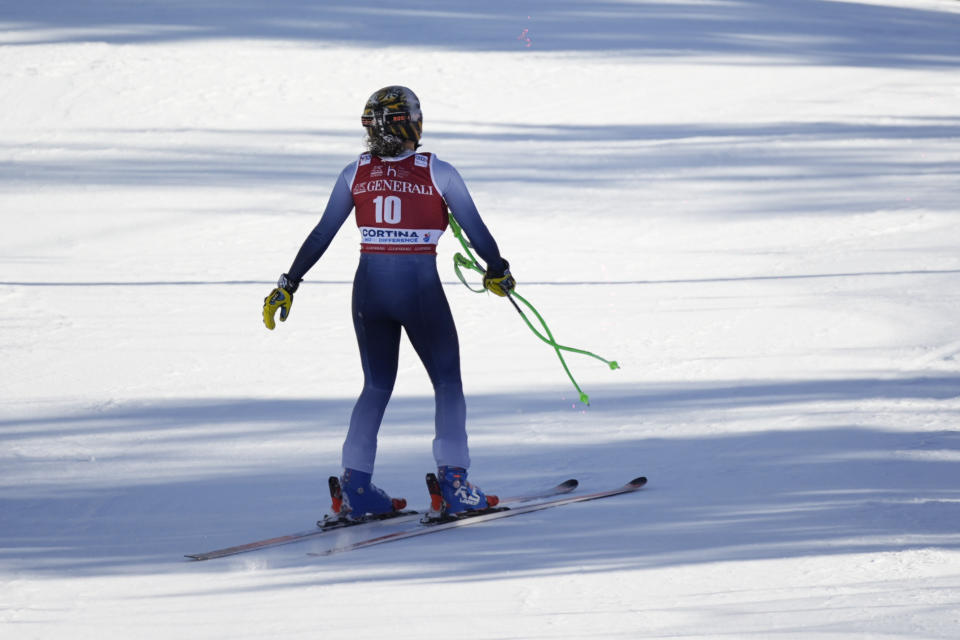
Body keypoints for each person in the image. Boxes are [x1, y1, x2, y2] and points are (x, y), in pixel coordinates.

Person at [262, 86, 516, 520]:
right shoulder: (438, 171)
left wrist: (289, 283)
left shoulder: (355, 172)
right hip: (419, 291)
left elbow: (322, 234)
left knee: (376, 385)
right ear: (412, 124)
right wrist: (497, 270)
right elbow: (478, 232)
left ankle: (355, 486)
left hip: (368, 291)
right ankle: (454, 483)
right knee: (447, 383)